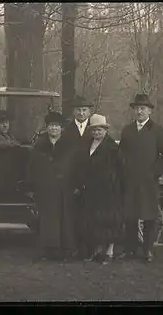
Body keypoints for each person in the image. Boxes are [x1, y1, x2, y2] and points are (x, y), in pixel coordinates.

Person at [118, 94, 163, 263]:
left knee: (149, 215)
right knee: (130, 216)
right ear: (133, 111)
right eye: (137, 108)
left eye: (143, 108)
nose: (139, 111)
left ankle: (148, 250)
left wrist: (155, 172)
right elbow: (121, 154)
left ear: (149, 111)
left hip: (149, 181)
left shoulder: (157, 131)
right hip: (130, 180)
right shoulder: (127, 130)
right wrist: (124, 170)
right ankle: (130, 249)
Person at [73, 114, 124, 265]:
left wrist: (114, 184)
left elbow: (120, 169)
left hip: (108, 190)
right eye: (94, 130)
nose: (97, 133)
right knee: (93, 221)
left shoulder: (112, 147)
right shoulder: (87, 144)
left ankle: (109, 252)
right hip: (91, 189)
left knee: (108, 221)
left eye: (100, 130)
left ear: (105, 130)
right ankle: (96, 251)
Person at [27, 111, 77, 261]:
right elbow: (32, 168)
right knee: (48, 219)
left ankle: (66, 251)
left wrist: (76, 185)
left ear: (61, 128)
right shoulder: (39, 146)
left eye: (56, 126)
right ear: (46, 128)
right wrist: (31, 187)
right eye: (51, 126)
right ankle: (49, 250)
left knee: (66, 219)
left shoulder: (70, 146)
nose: (54, 128)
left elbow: (76, 167)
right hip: (46, 188)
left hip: (65, 188)